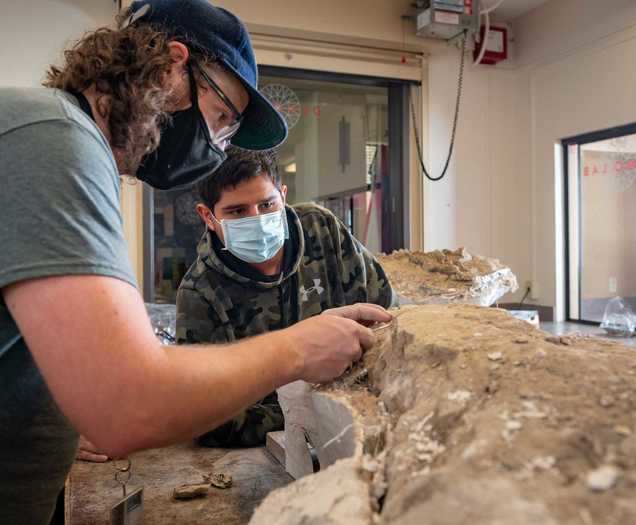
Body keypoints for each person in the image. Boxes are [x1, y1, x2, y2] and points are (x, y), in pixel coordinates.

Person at [0, 1, 391, 523]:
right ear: (171, 67)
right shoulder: (53, 139)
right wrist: (298, 348)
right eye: (221, 116)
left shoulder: (63, 142)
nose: (216, 145)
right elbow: (128, 403)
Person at [176, 153, 394, 447]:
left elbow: (383, 318)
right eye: (238, 211)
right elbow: (209, 420)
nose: (258, 220)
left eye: (267, 204)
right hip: (264, 450)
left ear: (283, 195)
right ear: (208, 217)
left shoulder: (322, 230)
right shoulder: (201, 293)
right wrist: (306, 410)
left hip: (358, 424)